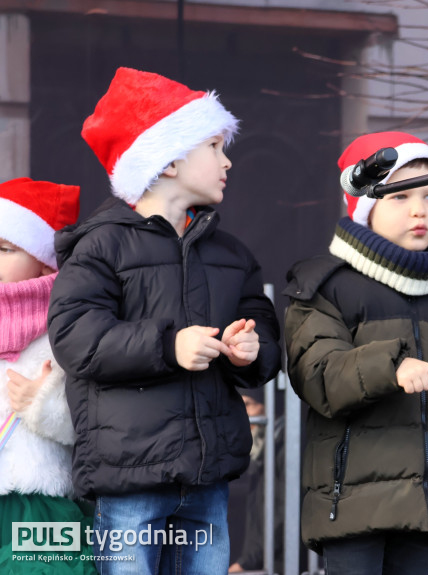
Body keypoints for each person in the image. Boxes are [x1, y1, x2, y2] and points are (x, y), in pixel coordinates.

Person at [48, 67, 282, 574]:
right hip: (129, 478)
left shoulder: (231, 254)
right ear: (170, 159)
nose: (228, 160)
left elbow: (261, 323)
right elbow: (74, 335)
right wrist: (168, 346)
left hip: (208, 476)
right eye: (215, 147)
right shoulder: (101, 245)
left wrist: (253, 347)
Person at [284, 131, 428, 575]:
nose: (419, 209)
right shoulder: (326, 285)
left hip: (422, 503)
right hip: (350, 504)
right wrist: (392, 365)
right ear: (368, 205)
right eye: (400, 196)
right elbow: (319, 374)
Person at [0, 177, 97, 574]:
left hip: (40, 502)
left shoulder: (69, 328)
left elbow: (94, 421)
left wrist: (42, 404)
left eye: (5, 249)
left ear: (44, 259)